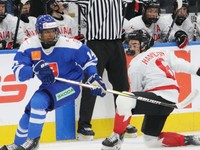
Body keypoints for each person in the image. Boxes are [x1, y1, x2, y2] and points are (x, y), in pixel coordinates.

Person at [0, 14, 106, 150]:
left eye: (53, 31)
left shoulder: (70, 44)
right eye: (46, 32)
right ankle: (18, 144)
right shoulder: (29, 46)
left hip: (70, 86)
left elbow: (89, 60)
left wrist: (94, 78)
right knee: (30, 109)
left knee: (39, 102)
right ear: (38, 33)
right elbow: (18, 72)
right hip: (49, 86)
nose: (51, 35)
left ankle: (32, 143)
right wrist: (34, 70)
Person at [101, 29, 200, 150]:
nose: (131, 47)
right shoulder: (161, 52)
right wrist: (197, 70)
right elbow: (180, 64)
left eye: (135, 44)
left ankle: (116, 137)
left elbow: (136, 94)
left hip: (159, 97)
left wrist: (124, 115)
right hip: (169, 101)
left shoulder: (136, 64)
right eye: (130, 44)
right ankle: (189, 139)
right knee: (151, 140)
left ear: (144, 44)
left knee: (124, 98)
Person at [65, 0, 137, 140]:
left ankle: (123, 122)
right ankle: (84, 125)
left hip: (116, 43)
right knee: (91, 84)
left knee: (122, 85)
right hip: (96, 44)